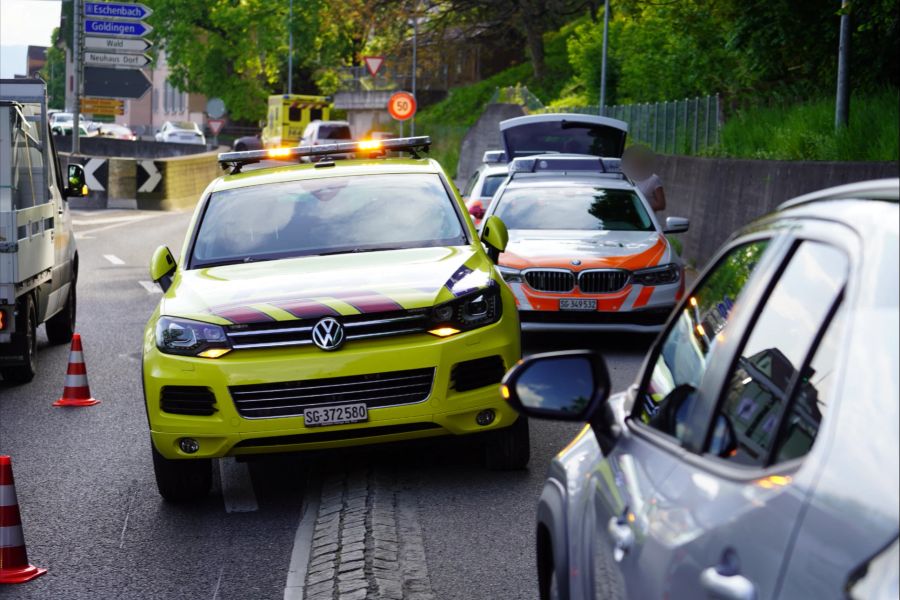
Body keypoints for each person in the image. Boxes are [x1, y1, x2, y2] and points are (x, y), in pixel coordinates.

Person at [623, 144, 666, 212]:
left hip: (645, 221)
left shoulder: (653, 179)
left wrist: (641, 209)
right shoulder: (624, 177)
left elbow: (661, 204)